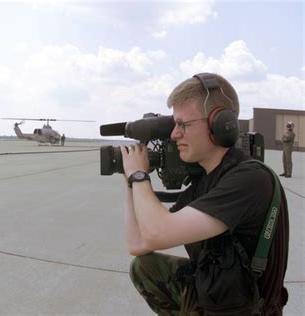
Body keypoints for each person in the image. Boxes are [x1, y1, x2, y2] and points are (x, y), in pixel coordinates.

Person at [121, 73, 289, 315]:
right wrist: (130, 181)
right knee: (144, 267)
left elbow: (157, 232)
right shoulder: (206, 182)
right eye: (174, 124)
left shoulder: (250, 180)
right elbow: (138, 243)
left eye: (183, 125)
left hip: (246, 309)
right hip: (216, 295)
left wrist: (140, 177)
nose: (174, 134)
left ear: (220, 124)